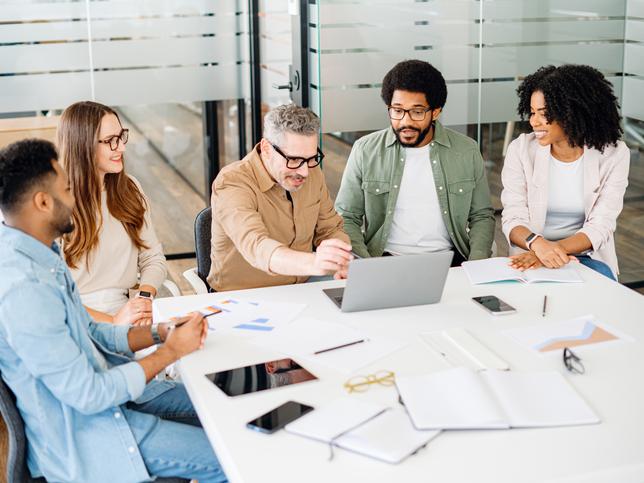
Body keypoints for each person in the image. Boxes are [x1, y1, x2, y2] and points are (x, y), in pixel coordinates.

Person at [0, 139, 226, 483]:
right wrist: (170, 353)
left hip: (113, 403)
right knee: (233, 456)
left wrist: (158, 332)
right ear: (43, 202)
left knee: (224, 407)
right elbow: (89, 395)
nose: (75, 199)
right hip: (91, 437)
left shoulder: (41, 253)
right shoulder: (23, 289)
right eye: (67, 189)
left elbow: (90, 333)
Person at [335, 60, 495, 265]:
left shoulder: (466, 150)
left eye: (417, 112)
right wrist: (365, 265)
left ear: (435, 112)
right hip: (383, 260)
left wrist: (476, 265)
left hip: (450, 261)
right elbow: (346, 217)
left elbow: (481, 215)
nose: (405, 121)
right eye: (397, 110)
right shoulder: (365, 150)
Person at [501, 64, 630, 280]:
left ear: (571, 113)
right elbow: (513, 218)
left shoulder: (614, 154)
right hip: (530, 253)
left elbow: (601, 225)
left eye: (544, 114)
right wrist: (538, 246)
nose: (534, 121)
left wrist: (550, 252)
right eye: (532, 113)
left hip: (586, 257)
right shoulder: (521, 149)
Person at [208, 104, 352, 292]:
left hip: (304, 286)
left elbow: (330, 229)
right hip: (245, 295)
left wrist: (341, 258)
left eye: (310, 158)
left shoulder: (311, 171)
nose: (304, 172)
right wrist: (315, 262)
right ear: (267, 148)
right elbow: (257, 246)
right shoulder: (232, 183)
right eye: (293, 160)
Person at [58, 101, 167, 326]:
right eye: (110, 141)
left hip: (125, 310)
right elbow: (52, 295)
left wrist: (144, 298)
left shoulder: (130, 189)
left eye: (121, 136)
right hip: (74, 318)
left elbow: (152, 258)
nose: (122, 147)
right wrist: (114, 321)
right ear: (83, 145)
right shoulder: (54, 203)